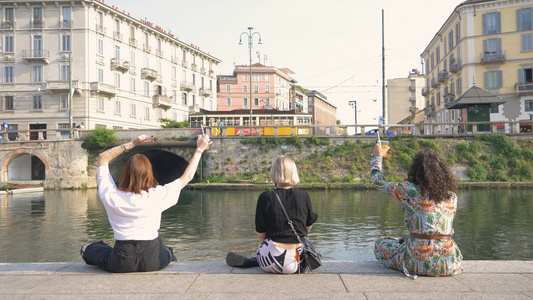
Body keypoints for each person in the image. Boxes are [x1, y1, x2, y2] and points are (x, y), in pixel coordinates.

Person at [80, 134, 211, 273]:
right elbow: (188, 176)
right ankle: (168, 254)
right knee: (166, 251)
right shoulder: (156, 195)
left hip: (121, 261)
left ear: (124, 173)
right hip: (154, 260)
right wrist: (199, 150)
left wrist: (133, 143)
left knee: (88, 247)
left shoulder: (110, 196)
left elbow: (103, 157)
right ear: (149, 175)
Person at [370, 144, 463, 278]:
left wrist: (377, 157)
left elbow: (377, 182)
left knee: (381, 243)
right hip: (448, 263)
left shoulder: (409, 190)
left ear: (416, 171)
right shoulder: (452, 197)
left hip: (414, 261)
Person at [226, 155, 318, 274]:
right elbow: (308, 227)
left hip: (271, 261)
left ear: (273, 172)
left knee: (266, 247)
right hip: (298, 264)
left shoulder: (265, 197)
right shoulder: (304, 195)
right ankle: (259, 261)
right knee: (306, 245)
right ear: (294, 173)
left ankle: (255, 261)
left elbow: (261, 236)